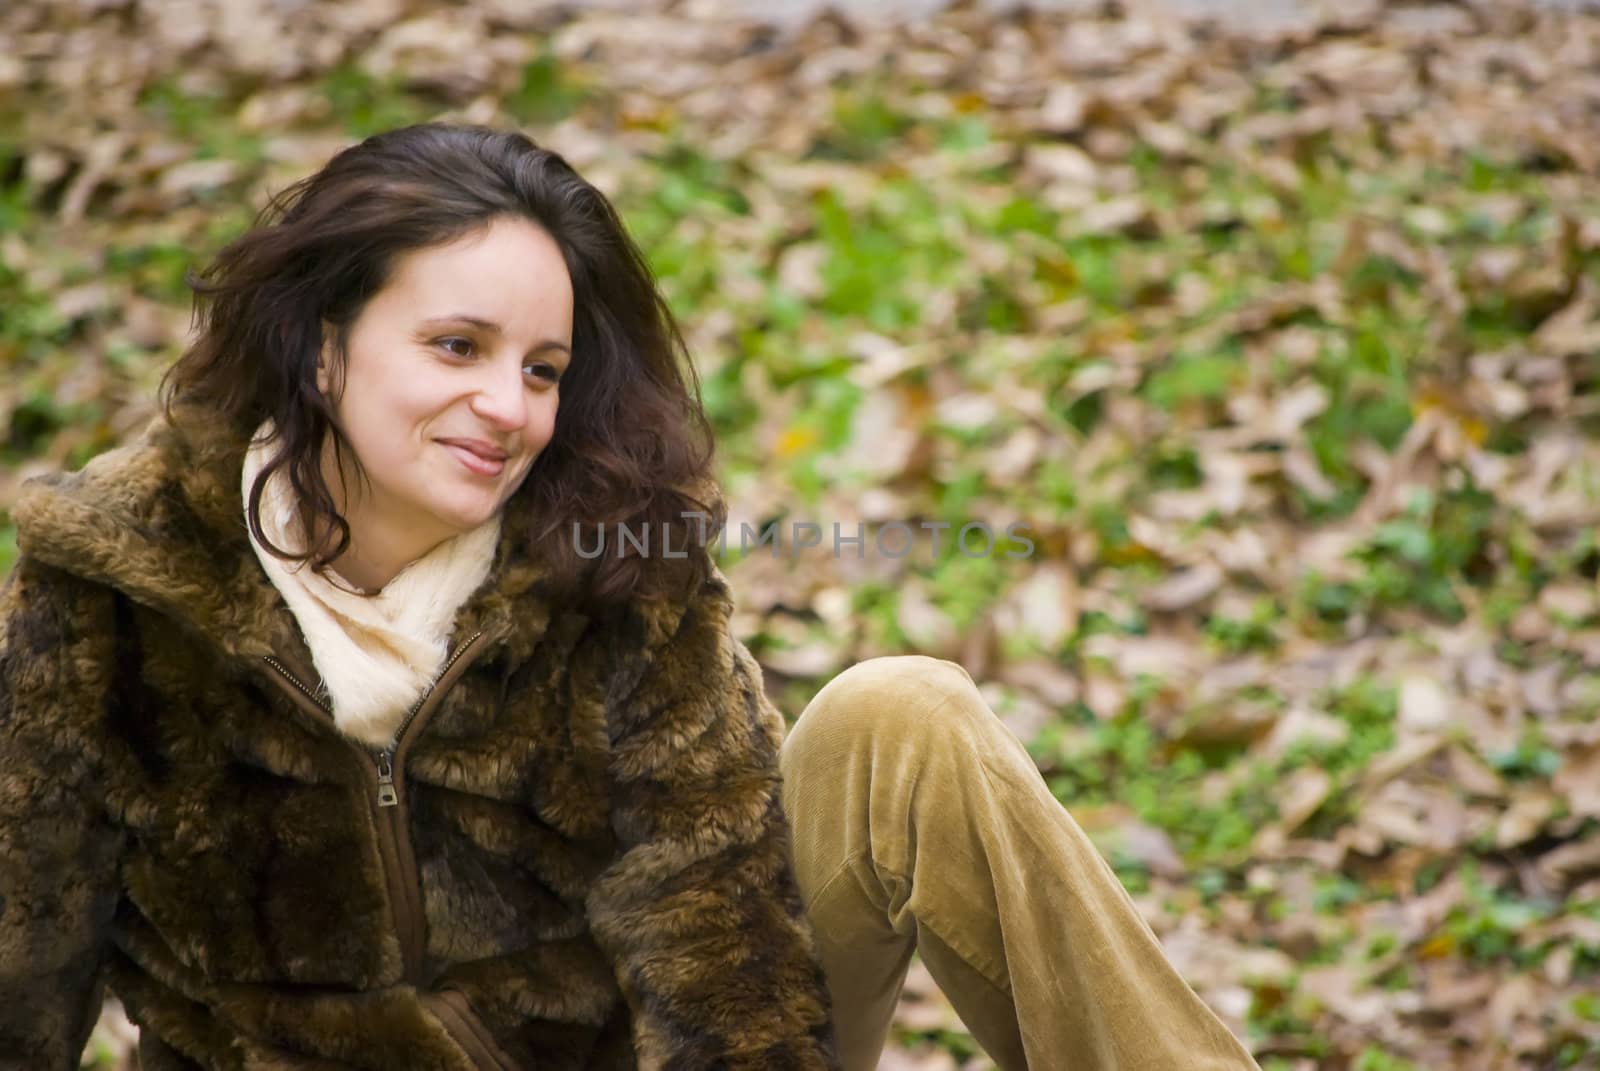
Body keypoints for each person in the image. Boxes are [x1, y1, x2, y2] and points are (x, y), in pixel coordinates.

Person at [0, 123, 1260, 1070]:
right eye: (456, 346)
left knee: (901, 717)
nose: (509, 409)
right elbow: (23, 966)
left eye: (542, 368)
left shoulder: (603, 560)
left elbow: (710, 908)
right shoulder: (112, 585)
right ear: (322, 347)